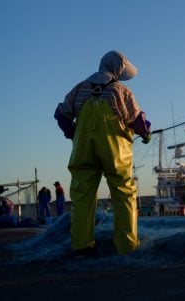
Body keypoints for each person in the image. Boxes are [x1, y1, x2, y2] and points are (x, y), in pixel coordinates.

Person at [54, 50, 151, 255]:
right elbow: (138, 121)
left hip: (83, 150)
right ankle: (126, 246)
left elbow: (61, 114)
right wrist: (146, 133)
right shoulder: (121, 91)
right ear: (117, 70)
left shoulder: (80, 88)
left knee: (82, 195)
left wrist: (72, 133)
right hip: (115, 152)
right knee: (124, 192)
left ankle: (81, 245)